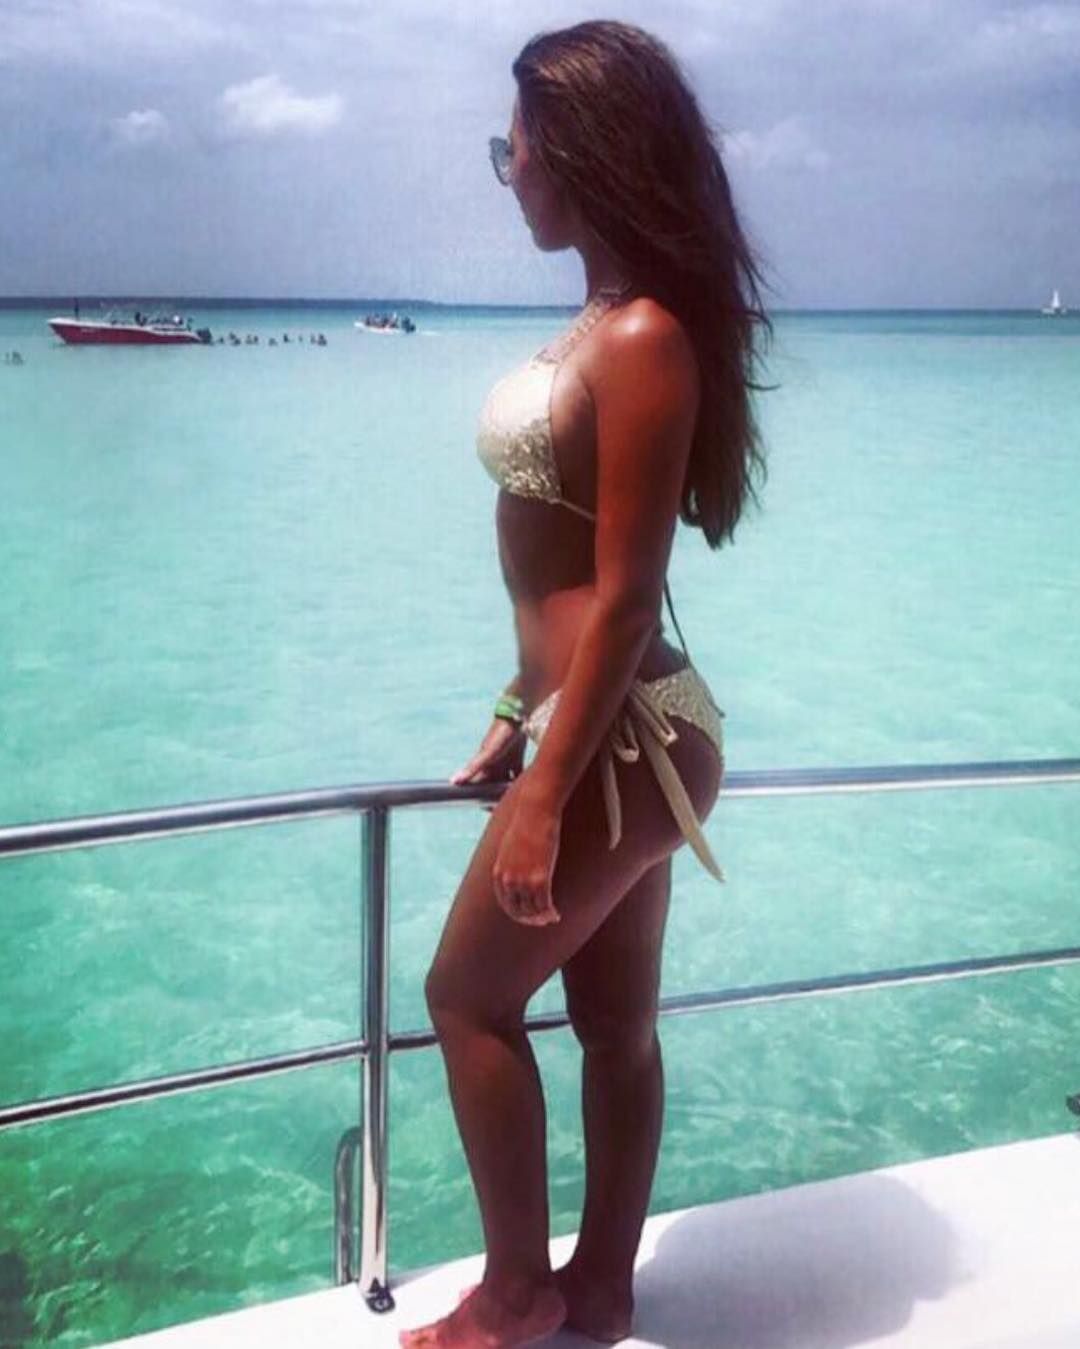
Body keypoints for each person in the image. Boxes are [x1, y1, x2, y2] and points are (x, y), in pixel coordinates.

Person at [400, 20, 770, 1349]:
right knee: (614, 1024)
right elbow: (554, 571)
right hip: (602, 723)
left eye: (515, 150)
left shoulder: (644, 337)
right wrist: (517, 708)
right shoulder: (610, 322)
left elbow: (622, 593)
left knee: (465, 998)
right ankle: (601, 1286)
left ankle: (517, 1291)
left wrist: (548, 792)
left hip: (621, 736)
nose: (510, 176)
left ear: (578, 150)